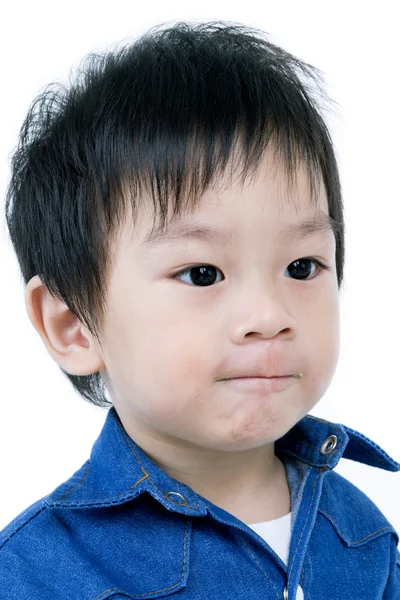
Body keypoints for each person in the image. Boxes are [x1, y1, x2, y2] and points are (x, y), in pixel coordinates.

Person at [1, 20, 399, 600]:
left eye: (302, 267)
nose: (269, 314)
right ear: (73, 325)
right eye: (202, 274)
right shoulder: (37, 573)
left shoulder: (360, 531)